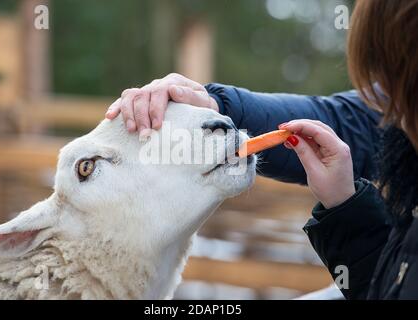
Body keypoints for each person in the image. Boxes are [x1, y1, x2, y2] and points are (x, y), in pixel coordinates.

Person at [106, 0, 418, 299]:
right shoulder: (400, 116)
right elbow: (353, 119)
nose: (393, 114)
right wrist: (217, 108)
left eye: (396, 84)